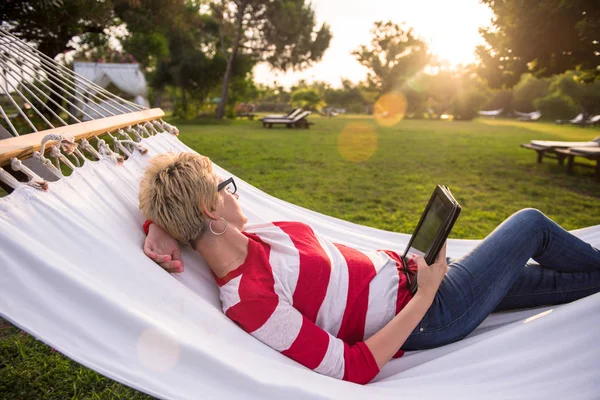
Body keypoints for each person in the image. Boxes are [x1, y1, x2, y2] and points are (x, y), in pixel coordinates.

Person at [139, 152, 600, 385]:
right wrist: (425, 294)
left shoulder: (253, 235)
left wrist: (157, 224)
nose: (235, 191)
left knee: (566, 284)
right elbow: (351, 367)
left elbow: (183, 212)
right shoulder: (250, 299)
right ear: (210, 210)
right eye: (225, 187)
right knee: (530, 225)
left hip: (417, 278)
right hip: (432, 311)